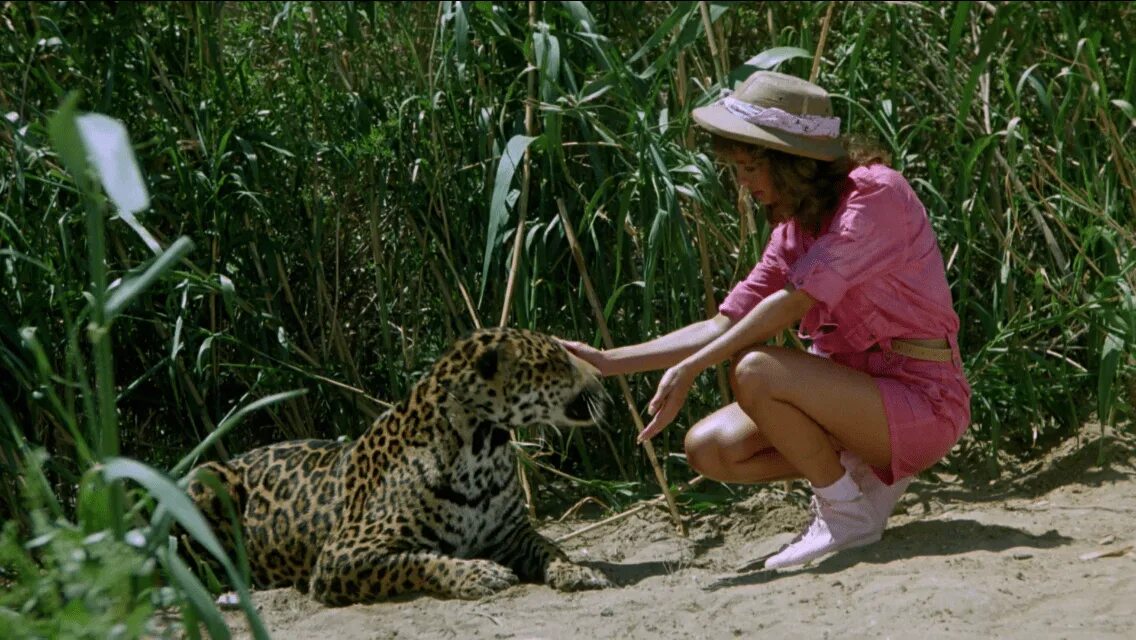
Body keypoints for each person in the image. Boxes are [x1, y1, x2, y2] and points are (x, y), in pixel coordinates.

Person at [561, 70, 971, 569]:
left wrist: (691, 369)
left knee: (756, 369)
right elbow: (723, 324)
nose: (743, 184)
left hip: (923, 402)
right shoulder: (793, 233)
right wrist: (606, 363)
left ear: (793, 164)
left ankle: (846, 515)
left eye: (751, 167)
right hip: (853, 399)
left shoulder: (876, 197)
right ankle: (857, 476)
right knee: (709, 449)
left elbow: (792, 303)